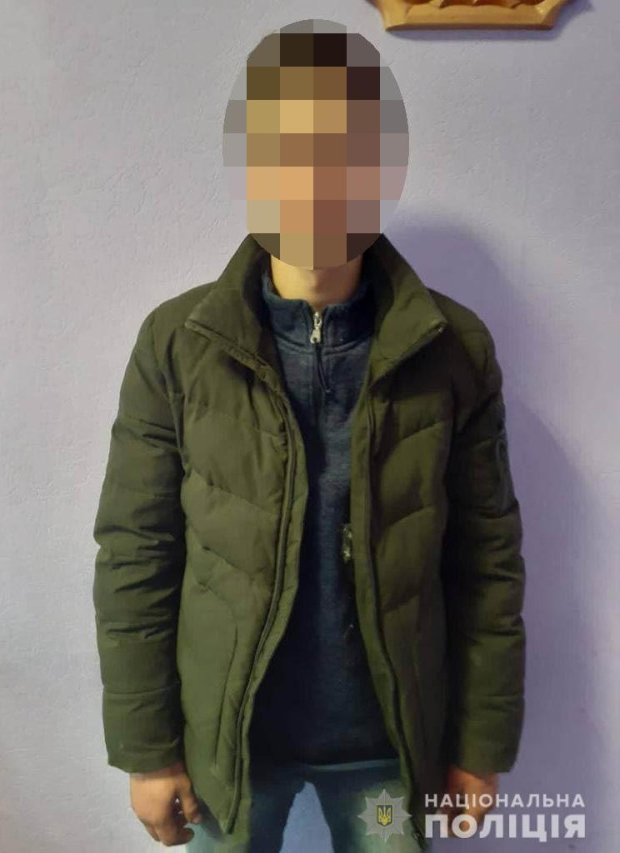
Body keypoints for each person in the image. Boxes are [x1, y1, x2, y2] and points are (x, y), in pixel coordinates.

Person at [92, 19, 526, 852]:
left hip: (391, 747)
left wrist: (479, 746)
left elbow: (487, 562)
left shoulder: (452, 349)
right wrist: (148, 750)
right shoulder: (178, 344)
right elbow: (136, 554)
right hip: (228, 750)